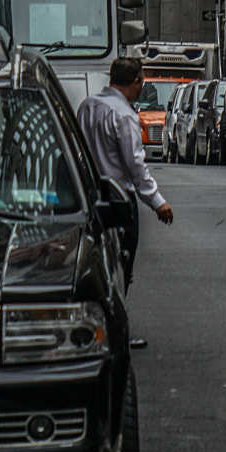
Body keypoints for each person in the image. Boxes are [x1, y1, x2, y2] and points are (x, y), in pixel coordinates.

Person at [77, 58, 174, 289]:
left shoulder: (87, 106)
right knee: (122, 265)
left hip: (88, 197)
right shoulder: (124, 115)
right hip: (119, 201)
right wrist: (156, 200)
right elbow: (135, 164)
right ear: (136, 82)